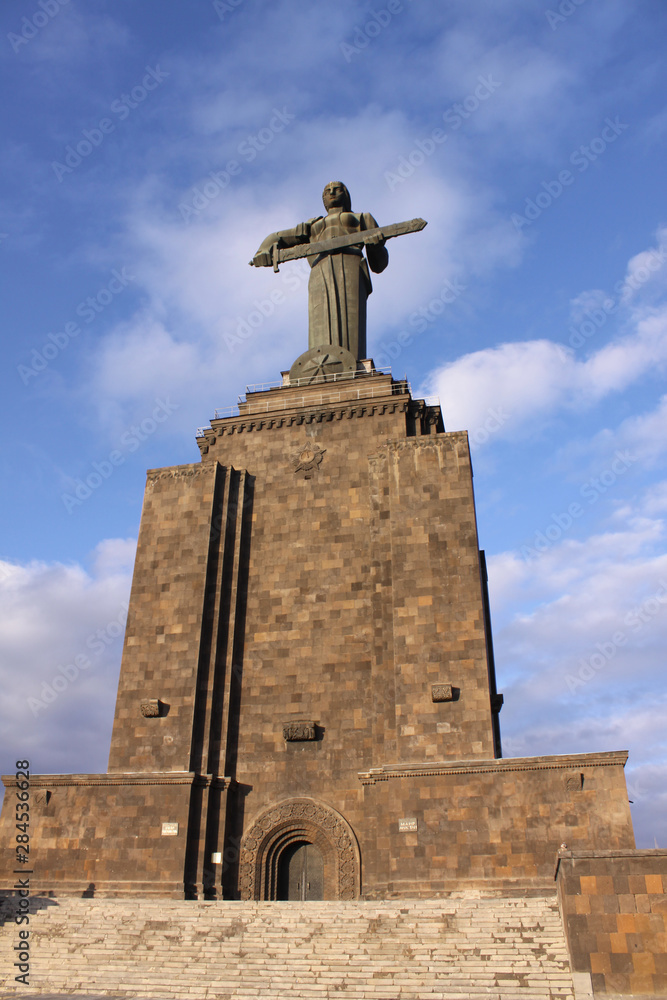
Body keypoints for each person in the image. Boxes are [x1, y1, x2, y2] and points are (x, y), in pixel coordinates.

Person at [252, 182, 388, 361]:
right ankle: (320, 362)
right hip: (320, 269)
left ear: (346, 194)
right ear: (323, 198)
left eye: (337, 189)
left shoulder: (363, 218)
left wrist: (376, 247)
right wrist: (263, 250)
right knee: (319, 317)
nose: (331, 192)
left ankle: (352, 362)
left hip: (350, 266)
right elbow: (278, 237)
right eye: (326, 191)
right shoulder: (313, 225)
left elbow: (379, 264)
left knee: (351, 319)